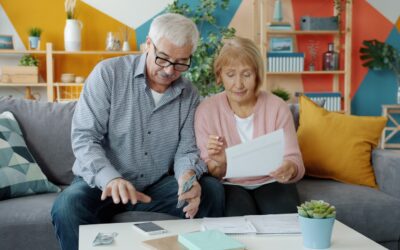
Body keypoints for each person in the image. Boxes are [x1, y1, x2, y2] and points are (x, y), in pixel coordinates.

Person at [51, 13, 224, 250]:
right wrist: (111, 178)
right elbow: (84, 137)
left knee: (211, 191)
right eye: (163, 58)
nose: (169, 70)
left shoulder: (189, 94)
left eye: (181, 62)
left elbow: (187, 149)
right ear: (148, 45)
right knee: (67, 206)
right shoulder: (108, 74)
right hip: (102, 185)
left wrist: (187, 177)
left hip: (154, 186)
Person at [194, 36, 305, 216]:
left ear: (257, 75)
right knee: (239, 222)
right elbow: (212, 172)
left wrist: (289, 168)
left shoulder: (277, 107)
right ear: (219, 75)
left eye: (246, 74)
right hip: (231, 184)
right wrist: (221, 162)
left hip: (272, 181)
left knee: (285, 221)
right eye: (230, 75)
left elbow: (294, 160)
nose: (238, 84)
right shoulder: (206, 111)